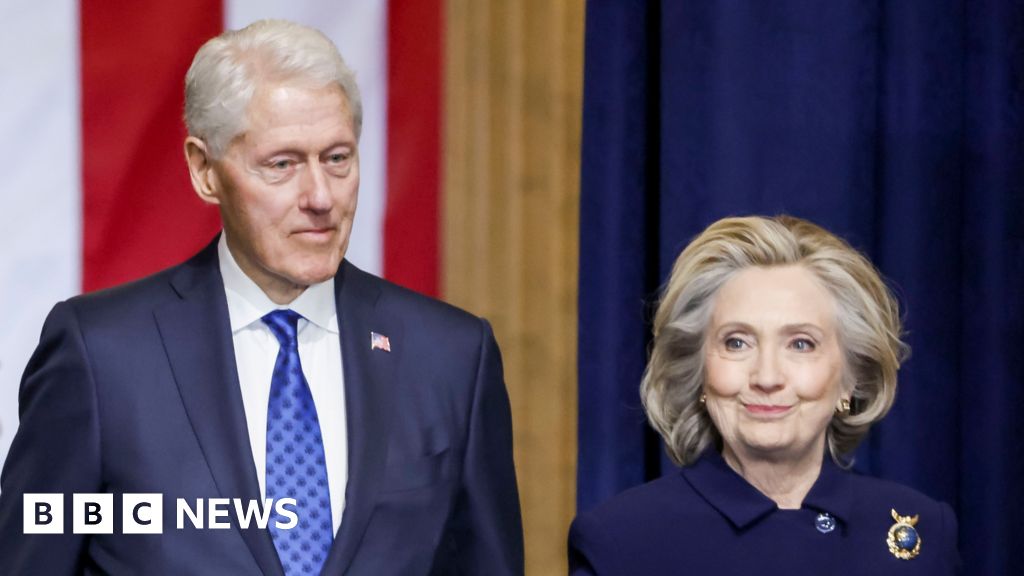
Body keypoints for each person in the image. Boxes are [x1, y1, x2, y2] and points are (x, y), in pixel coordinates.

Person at [0, 19, 523, 575]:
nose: (320, 197)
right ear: (204, 170)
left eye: (337, 159)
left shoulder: (451, 357)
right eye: (282, 164)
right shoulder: (101, 357)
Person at [568, 215, 960, 575]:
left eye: (801, 344)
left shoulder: (920, 533)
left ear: (851, 378)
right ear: (698, 371)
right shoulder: (621, 541)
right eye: (737, 342)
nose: (767, 377)